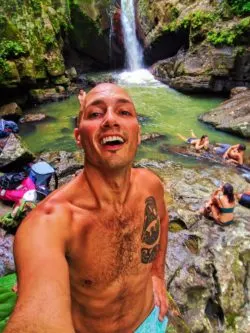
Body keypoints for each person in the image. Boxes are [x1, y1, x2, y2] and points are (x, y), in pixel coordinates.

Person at [4, 83, 169, 333]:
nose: (111, 120)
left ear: (138, 133)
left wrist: (157, 275)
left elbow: (162, 220)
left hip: (150, 321)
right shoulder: (49, 224)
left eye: (124, 112)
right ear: (78, 137)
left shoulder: (151, 186)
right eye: (95, 114)